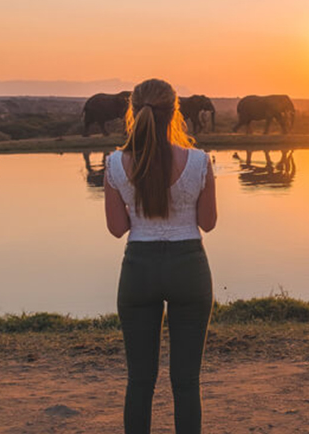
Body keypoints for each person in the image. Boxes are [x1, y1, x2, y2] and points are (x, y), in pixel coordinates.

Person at [104, 78, 218, 434]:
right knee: (186, 382)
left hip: (139, 270)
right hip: (189, 269)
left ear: (133, 113)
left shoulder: (115, 164)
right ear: (175, 114)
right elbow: (207, 223)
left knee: (139, 381)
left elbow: (117, 228)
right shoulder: (199, 161)